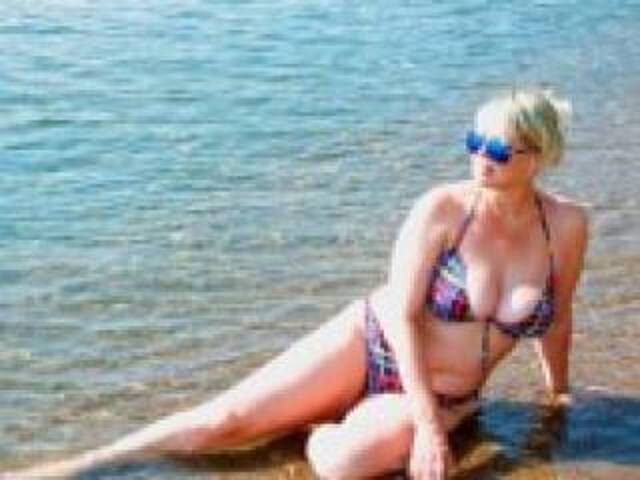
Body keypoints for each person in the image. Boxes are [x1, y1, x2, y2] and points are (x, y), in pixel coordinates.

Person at [2, 87, 589, 480]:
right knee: (226, 422)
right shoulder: (443, 209)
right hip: (374, 342)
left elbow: (557, 316)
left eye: (497, 149)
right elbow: (404, 314)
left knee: (343, 466)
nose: (480, 157)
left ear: (538, 155)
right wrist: (429, 427)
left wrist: (557, 394)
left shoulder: (565, 225)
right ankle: (72, 468)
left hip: (447, 394)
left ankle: (315, 426)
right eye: (473, 142)